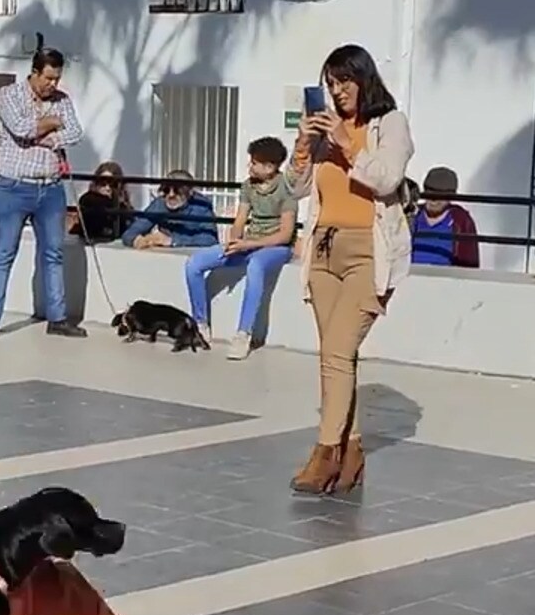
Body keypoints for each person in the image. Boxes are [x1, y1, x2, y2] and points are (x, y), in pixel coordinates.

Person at [283, 44, 415, 495]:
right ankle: (352, 450)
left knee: (338, 352)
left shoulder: (388, 124)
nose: (338, 92)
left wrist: (346, 146)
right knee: (335, 358)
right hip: (322, 250)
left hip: (368, 251)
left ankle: (325, 453)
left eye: (345, 81)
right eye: (331, 84)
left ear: (364, 79)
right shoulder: (325, 133)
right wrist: (304, 145)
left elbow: (386, 179)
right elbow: (296, 188)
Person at [0, 47, 86, 341]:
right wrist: (51, 124)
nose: (53, 85)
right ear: (35, 72)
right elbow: (22, 129)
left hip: (50, 187)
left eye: (57, 79)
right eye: (49, 78)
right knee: (3, 253)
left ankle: (58, 318)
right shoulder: (9, 95)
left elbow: (76, 132)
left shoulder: (62, 100)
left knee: (53, 253)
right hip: (14, 185)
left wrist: (52, 136)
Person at [184, 136, 298, 360]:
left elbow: (285, 234)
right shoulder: (248, 186)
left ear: (270, 166)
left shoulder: (287, 189)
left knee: (256, 265)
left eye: (254, 162)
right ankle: (200, 323)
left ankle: (243, 333)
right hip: (249, 242)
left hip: (276, 247)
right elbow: (240, 219)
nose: (250, 166)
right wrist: (234, 241)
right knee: (194, 264)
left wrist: (250, 244)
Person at [120, 170, 220, 250]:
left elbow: (210, 240)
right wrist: (137, 240)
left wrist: (172, 241)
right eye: (166, 190)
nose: (171, 195)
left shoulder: (201, 206)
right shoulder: (159, 204)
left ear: (189, 193)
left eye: (177, 191)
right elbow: (130, 232)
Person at [409, 167, 480, 268]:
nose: (434, 200)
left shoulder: (461, 221)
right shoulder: (412, 215)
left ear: (451, 197)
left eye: (440, 196)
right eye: (430, 193)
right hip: (410, 277)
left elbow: (469, 264)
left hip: (445, 280)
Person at [72, 161, 132, 244]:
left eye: (112, 184)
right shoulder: (87, 200)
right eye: (103, 184)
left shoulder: (123, 207)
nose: (107, 188)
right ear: (96, 183)